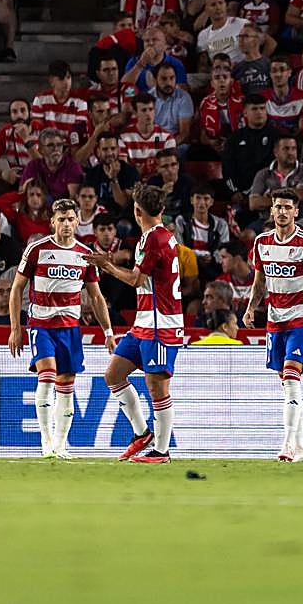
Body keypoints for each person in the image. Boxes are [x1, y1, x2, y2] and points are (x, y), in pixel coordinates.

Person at [8, 198, 116, 459]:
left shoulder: (85, 255)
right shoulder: (37, 250)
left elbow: (97, 297)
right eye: (61, 219)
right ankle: (45, 443)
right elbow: (16, 289)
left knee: (66, 385)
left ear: (77, 221)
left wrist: (108, 332)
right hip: (41, 326)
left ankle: (60, 445)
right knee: (46, 378)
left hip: (70, 328)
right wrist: (15, 328)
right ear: (52, 222)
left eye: (70, 219)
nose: (66, 224)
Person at [241, 188, 303, 461]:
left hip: (302, 320)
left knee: (291, 378)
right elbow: (260, 280)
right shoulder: (262, 243)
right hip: (276, 322)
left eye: (288, 207)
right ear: (272, 210)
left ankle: (287, 443)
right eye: (278, 207)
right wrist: (251, 307)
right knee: (289, 387)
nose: (283, 212)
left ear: (296, 211)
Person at [84, 184, 181, 463]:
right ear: (161, 209)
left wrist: (107, 266)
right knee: (114, 375)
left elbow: (136, 280)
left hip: (161, 323)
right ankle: (142, 434)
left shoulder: (154, 239)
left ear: (137, 210)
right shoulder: (156, 236)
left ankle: (161, 452)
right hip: (143, 323)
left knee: (157, 387)